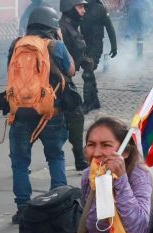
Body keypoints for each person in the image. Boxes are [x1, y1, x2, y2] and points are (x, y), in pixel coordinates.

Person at [6, 5, 74, 224]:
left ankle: (23, 208)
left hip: (20, 112)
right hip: (50, 113)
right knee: (55, 156)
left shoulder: (16, 45)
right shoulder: (56, 45)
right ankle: (58, 203)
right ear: (52, 25)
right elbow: (71, 70)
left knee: (19, 162)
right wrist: (60, 40)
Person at [59, 0, 89, 170]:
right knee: (76, 116)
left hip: (64, 78)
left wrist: (84, 61)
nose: (83, 10)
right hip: (60, 80)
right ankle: (79, 159)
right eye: (80, 7)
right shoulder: (62, 28)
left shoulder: (70, 26)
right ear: (69, 8)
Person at [79, 0, 117, 112]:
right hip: (84, 44)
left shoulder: (100, 9)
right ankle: (95, 101)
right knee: (89, 72)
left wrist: (114, 46)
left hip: (96, 44)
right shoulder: (81, 7)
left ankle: (87, 103)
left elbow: (109, 27)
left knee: (87, 72)